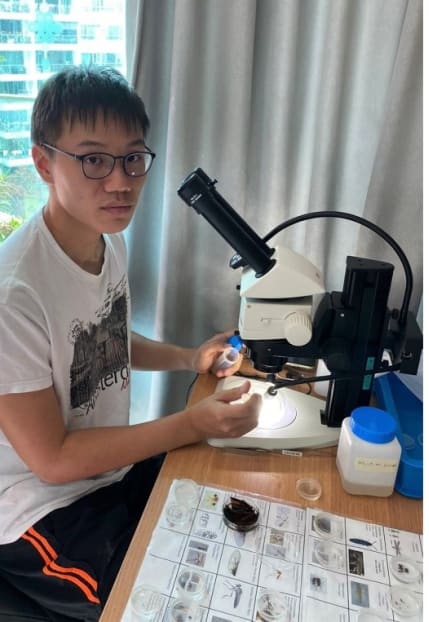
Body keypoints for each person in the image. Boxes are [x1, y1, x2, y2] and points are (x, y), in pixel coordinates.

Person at [0, 65, 262, 620]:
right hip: (37, 513)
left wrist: (190, 357)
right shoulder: (14, 295)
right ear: (44, 162)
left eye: (133, 158)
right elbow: (51, 460)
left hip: (104, 475)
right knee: (164, 605)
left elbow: (106, 339)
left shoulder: (104, 240)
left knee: (233, 512)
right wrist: (190, 421)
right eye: (93, 159)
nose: (120, 182)